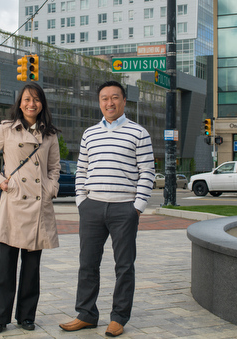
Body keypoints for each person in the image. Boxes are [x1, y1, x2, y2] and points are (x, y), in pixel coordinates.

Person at [59, 80, 155, 337]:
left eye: (114, 98)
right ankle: (86, 314)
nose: (109, 103)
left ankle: (119, 317)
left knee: (124, 266)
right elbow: (82, 170)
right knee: (87, 263)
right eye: (104, 98)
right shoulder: (89, 134)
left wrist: (137, 207)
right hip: (92, 207)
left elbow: (147, 172)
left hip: (124, 208)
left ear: (124, 101)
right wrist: (82, 201)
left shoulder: (139, 133)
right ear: (99, 102)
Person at [0, 82, 61, 334]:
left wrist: (50, 188)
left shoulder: (49, 134)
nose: (31, 104)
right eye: (26, 99)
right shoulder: (7, 129)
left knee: (31, 267)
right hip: (14, 201)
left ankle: (26, 316)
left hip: (38, 206)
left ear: (42, 104)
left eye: (36, 100)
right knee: (5, 265)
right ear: (20, 102)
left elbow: (54, 167)